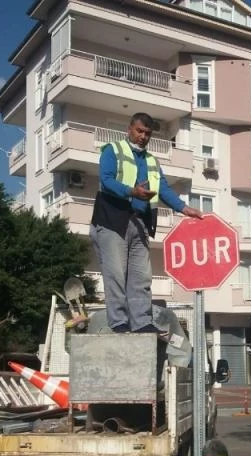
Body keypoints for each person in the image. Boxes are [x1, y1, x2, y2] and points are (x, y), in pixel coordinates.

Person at [90, 112, 203, 334]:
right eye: (139, 131)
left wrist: (184, 209)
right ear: (129, 129)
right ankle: (119, 323)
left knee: (141, 277)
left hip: (140, 222)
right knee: (116, 274)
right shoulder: (112, 150)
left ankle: (142, 323)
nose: (143, 136)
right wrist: (131, 192)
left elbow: (163, 189)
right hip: (112, 219)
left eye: (148, 133)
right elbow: (107, 180)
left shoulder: (151, 161)